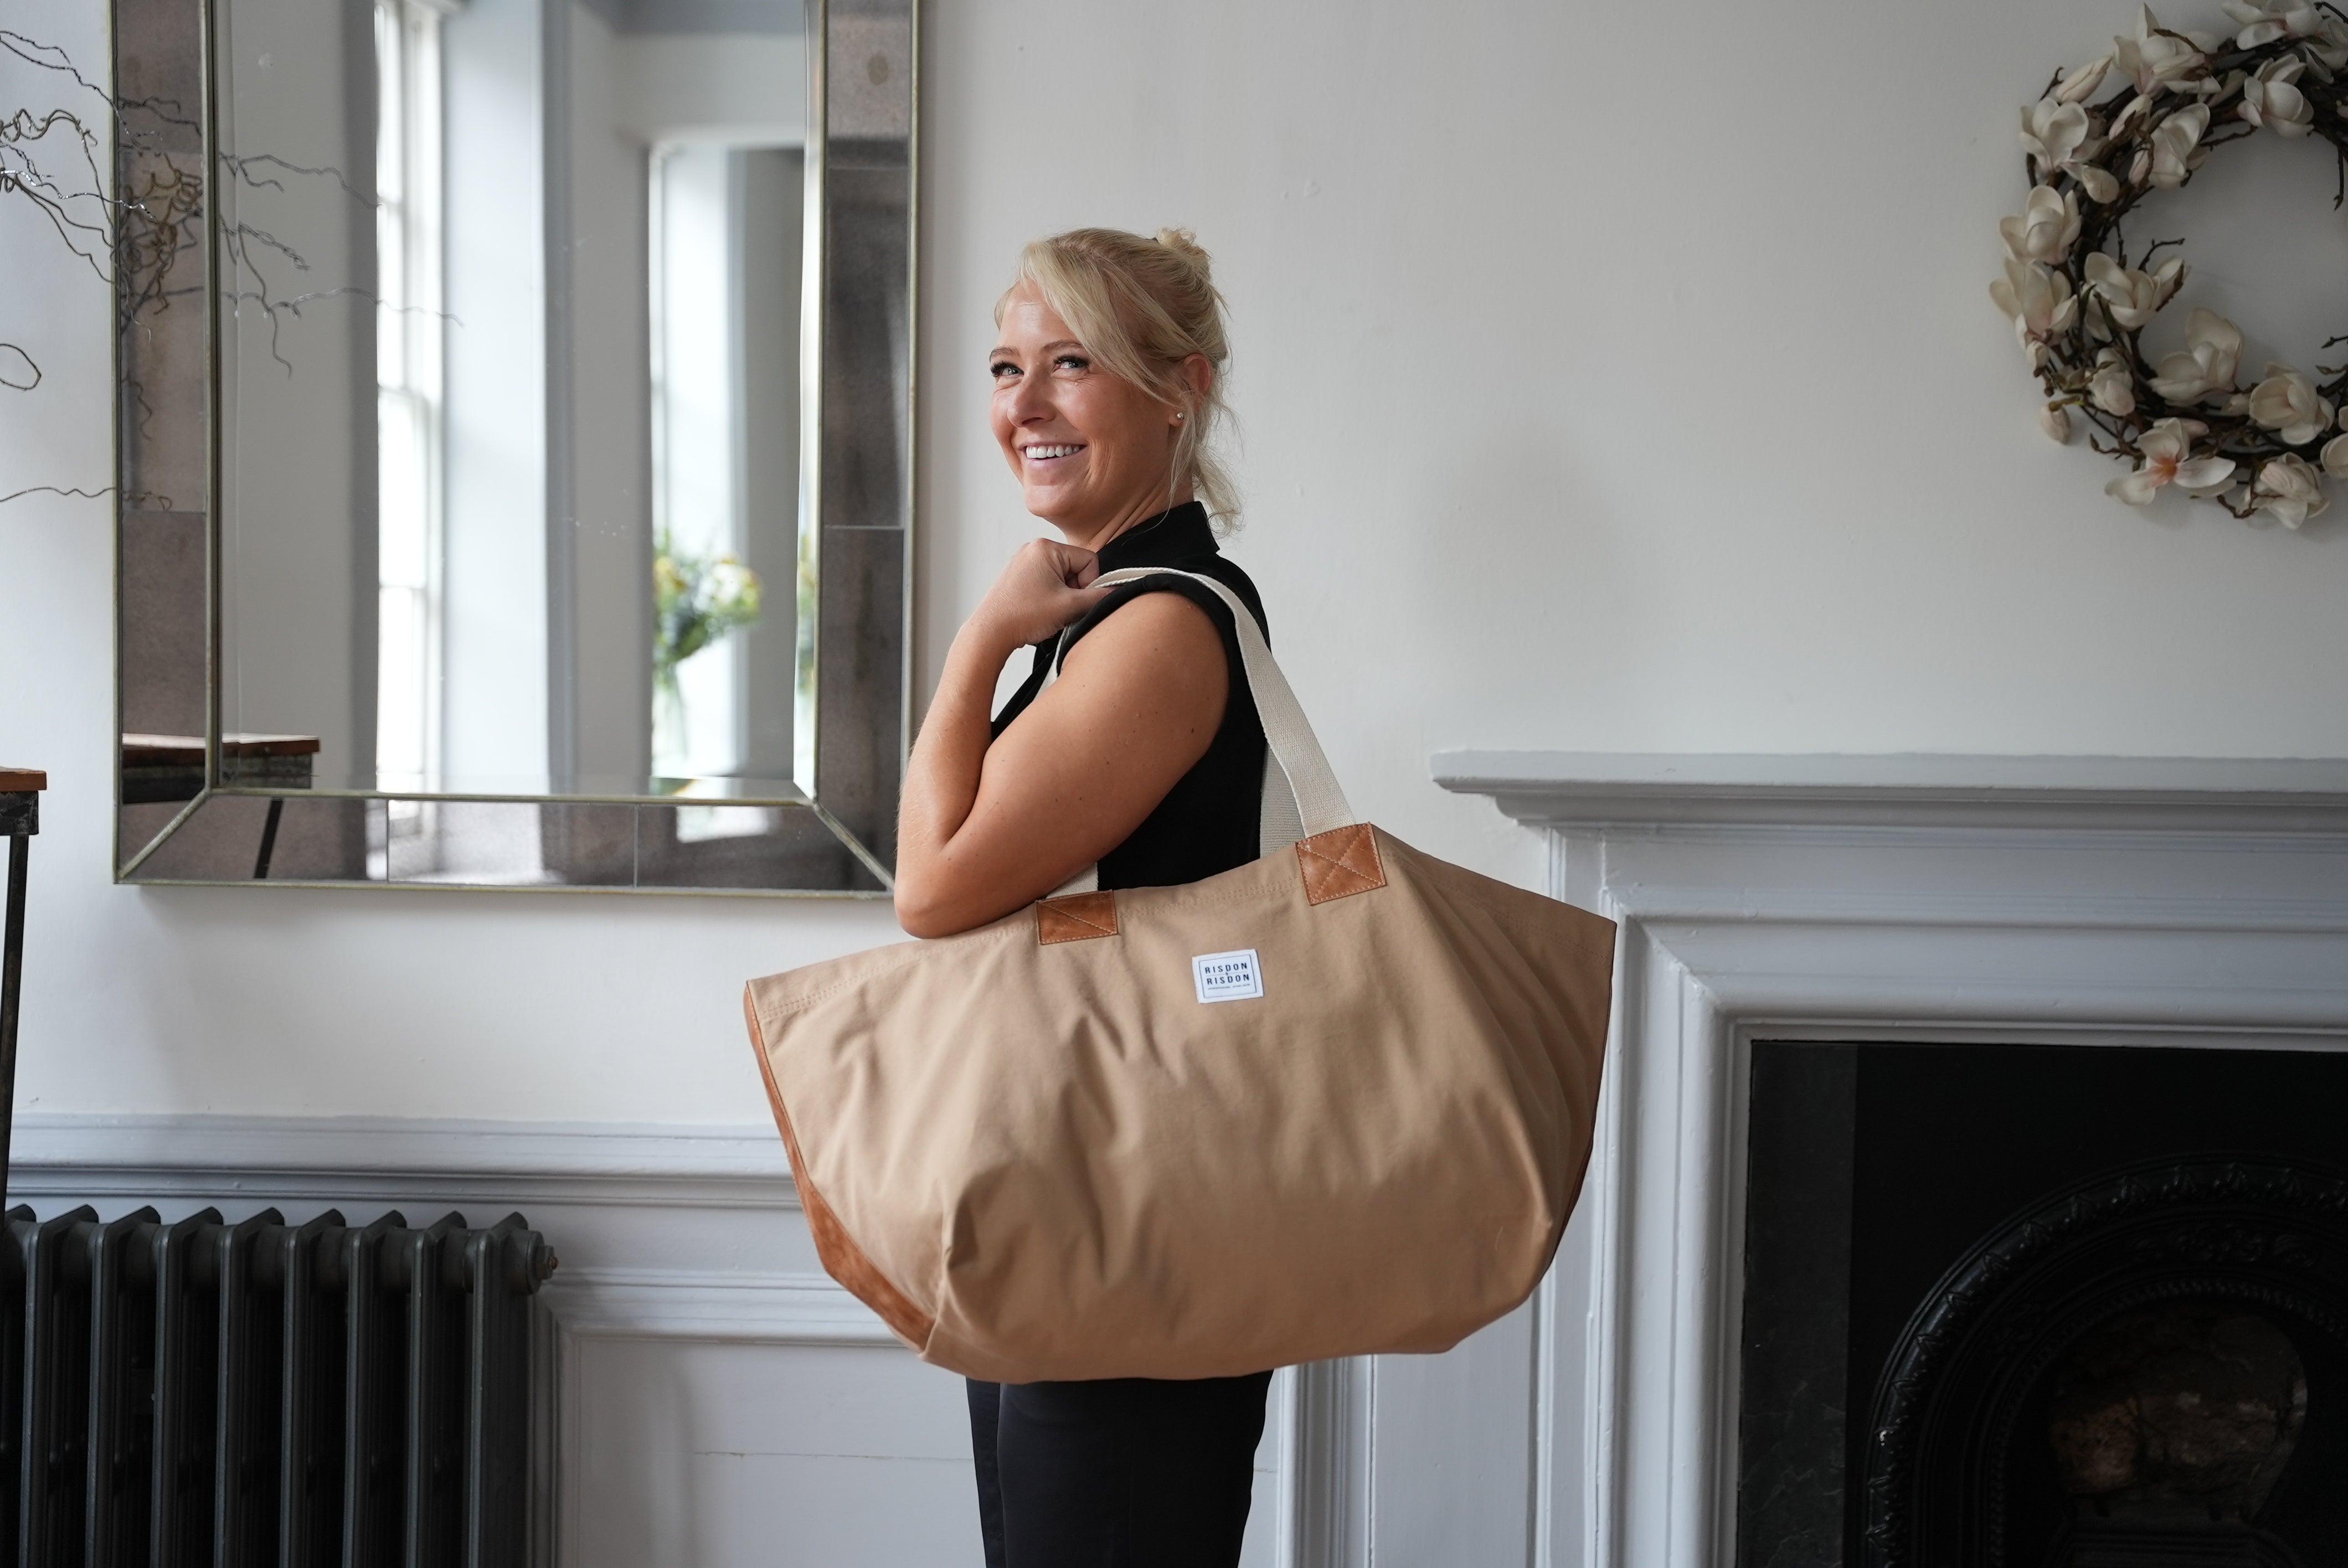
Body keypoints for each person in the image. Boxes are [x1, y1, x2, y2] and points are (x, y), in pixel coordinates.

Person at [893, 226, 1274, 1568]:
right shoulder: (1114, 617)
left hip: (1136, 1209)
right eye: (1007, 367)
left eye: (1073, 364)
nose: (1025, 406)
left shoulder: (1159, 629)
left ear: (1181, 389)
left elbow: (931, 891)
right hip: (1092, 1186)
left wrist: (977, 642)